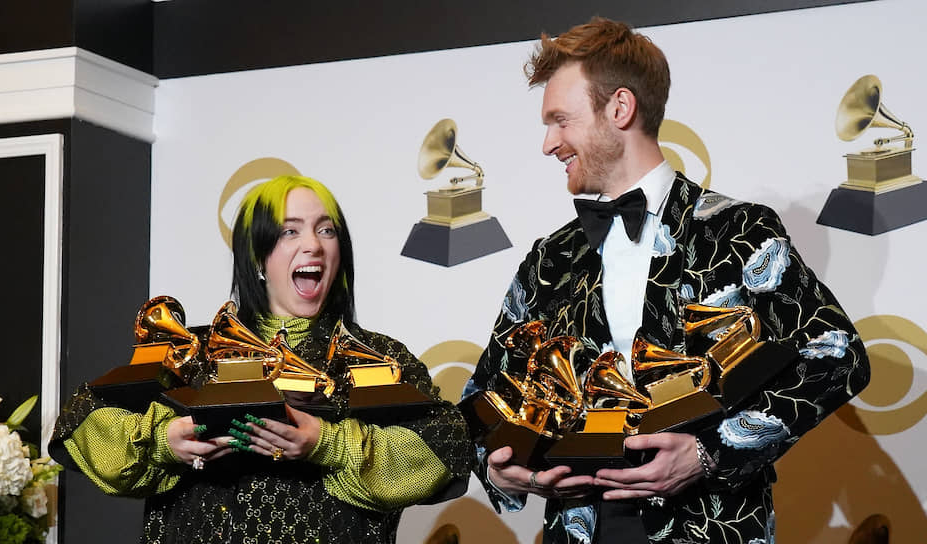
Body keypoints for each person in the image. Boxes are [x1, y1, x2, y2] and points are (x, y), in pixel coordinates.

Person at [463, 17, 870, 543]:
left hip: (709, 525)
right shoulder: (551, 259)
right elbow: (482, 399)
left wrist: (708, 453)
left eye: (561, 120)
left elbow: (836, 355)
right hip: (582, 527)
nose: (548, 143)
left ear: (620, 108)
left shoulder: (736, 230)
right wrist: (499, 470)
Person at [50, 175, 474, 544]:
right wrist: (165, 441)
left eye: (326, 230)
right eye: (290, 232)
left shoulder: (381, 358)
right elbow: (82, 419)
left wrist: (326, 443)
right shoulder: (189, 352)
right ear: (257, 255)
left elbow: (445, 445)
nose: (313, 245)